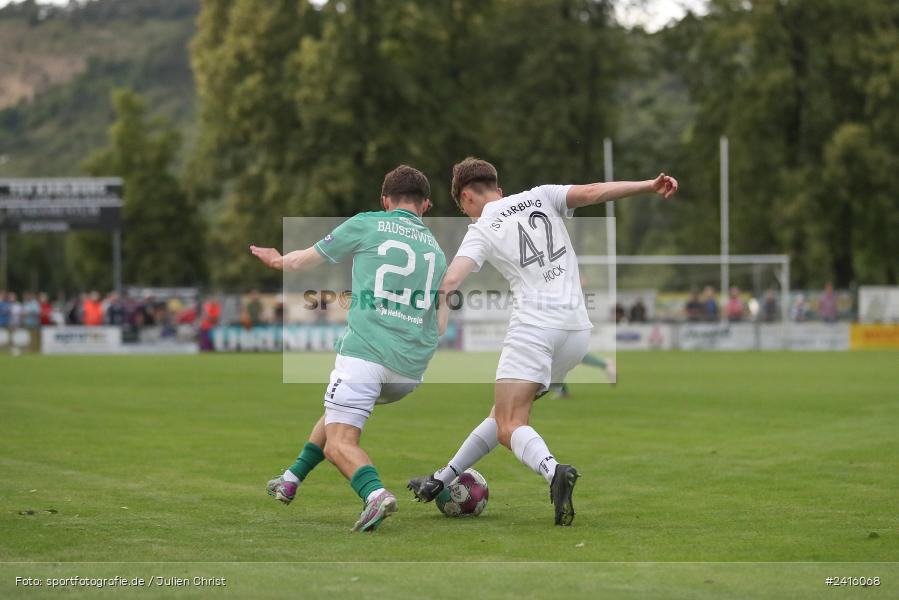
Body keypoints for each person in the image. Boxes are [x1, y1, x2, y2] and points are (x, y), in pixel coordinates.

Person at [408, 157, 677, 526]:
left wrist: (433, 319)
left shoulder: (482, 225)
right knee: (502, 415)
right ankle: (443, 477)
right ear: (498, 189)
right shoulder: (541, 195)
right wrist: (648, 185)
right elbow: (594, 192)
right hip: (577, 332)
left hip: (535, 327)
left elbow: (451, 280)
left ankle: (554, 471)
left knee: (510, 424)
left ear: (466, 196)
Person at [251, 165, 447, 532]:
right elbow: (439, 320)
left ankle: (375, 495)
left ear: (385, 200)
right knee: (335, 410)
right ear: (427, 205)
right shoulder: (436, 249)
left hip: (366, 354)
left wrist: (279, 260)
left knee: (339, 443)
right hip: (410, 371)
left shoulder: (367, 223)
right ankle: (291, 478)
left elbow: (302, 260)